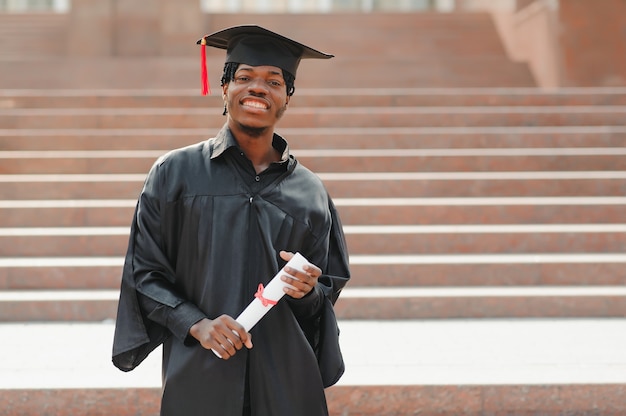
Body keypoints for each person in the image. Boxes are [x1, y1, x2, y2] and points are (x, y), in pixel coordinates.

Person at [111, 25, 350, 416]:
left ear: (288, 96)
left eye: (274, 81)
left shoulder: (310, 191)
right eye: (244, 77)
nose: (258, 88)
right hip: (200, 373)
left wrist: (308, 291)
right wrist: (196, 323)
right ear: (224, 88)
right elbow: (145, 273)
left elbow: (326, 292)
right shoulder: (175, 174)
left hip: (287, 380)